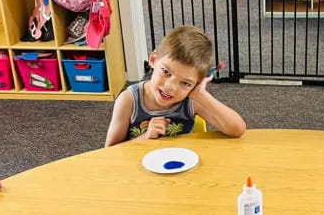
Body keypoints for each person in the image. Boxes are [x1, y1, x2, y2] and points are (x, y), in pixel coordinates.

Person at [105, 25, 246, 146]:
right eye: (166, 72)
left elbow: (237, 129)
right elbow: (110, 151)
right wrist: (144, 137)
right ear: (153, 60)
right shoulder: (129, 100)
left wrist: (201, 95)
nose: (170, 87)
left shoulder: (192, 100)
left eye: (185, 83)